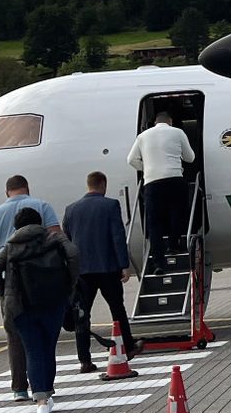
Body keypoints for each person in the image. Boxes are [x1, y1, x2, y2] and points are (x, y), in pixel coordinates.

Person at [0, 206, 79, 413]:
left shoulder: (10, 246)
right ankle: (47, 392)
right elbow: (74, 255)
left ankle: (41, 402)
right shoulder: (53, 240)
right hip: (53, 304)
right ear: (40, 223)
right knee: (48, 348)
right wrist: (69, 285)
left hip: (22, 308)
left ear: (17, 226)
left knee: (33, 350)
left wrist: (6, 292)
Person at [0, 175, 57, 402]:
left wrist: (2, 289)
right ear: (27, 188)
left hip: (11, 284)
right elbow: (56, 237)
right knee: (43, 336)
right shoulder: (42, 206)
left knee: (15, 337)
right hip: (43, 282)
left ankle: (19, 388)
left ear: (7, 192)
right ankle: (44, 386)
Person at [64, 170, 139, 372]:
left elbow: (67, 242)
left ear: (88, 185)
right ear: (103, 185)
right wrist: (124, 264)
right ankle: (128, 347)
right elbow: (117, 236)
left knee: (82, 315)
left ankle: (84, 360)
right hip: (107, 268)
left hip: (82, 272)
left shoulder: (71, 210)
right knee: (117, 310)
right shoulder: (110, 205)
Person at [127, 113, 195, 257]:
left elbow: (131, 159)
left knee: (154, 221)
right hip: (175, 179)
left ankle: (158, 261)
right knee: (177, 214)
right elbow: (190, 158)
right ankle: (173, 246)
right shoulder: (178, 132)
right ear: (170, 121)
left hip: (152, 183)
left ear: (155, 122)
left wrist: (146, 167)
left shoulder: (142, 136)